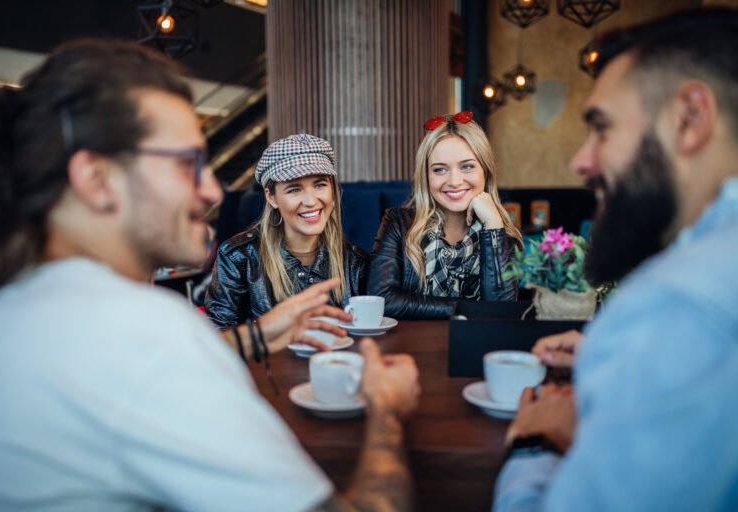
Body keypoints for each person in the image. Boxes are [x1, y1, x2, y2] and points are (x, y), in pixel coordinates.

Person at [0, 39, 420, 512]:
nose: (211, 190)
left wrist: (254, 337)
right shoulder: (150, 332)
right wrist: (387, 410)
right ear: (97, 180)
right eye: (188, 165)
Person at [494, 9, 738, 511]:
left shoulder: (679, 302)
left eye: (602, 128)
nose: (581, 161)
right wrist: (623, 361)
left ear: (690, 118)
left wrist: (535, 443)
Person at [368, 112, 522, 319]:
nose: (455, 181)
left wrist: (493, 225)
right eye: (440, 170)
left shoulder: (504, 237)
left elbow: (501, 313)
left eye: (467, 166)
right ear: (426, 177)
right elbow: (381, 300)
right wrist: (463, 309)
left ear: (485, 171)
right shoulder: (398, 223)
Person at [205, 133, 368, 328]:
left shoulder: (355, 262)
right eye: (294, 189)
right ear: (271, 197)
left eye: (319, 185)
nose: (311, 201)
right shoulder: (238, 257)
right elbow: (218, 338)